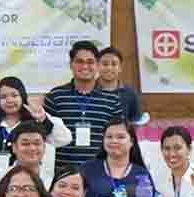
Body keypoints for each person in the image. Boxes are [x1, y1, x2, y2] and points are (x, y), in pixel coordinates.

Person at [44, 41, 141, 187]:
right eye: (79, 62)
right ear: (71, 64)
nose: (85, 66)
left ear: (97, 65)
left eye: (90, 62)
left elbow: (117, 136)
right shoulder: (56, 96)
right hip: (62, 173)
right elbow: (46, 135)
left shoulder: (111, 100)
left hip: (99, 174)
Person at [86, 119, 157, 197]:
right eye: (109, 137)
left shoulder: (142, 174)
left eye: (120, 137)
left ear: (132, 141)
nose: (114, 141)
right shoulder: (87, 170)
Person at [151, 122, 194, 197]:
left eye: (177, 148)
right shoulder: (158, 178)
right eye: (167, 148)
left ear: (189, 149)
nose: (172, 154)